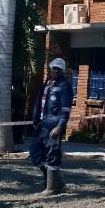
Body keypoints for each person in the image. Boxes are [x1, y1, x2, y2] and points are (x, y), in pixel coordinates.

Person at [30, 57, 75, 194]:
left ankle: (51, 188)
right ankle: (58, 182)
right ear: (50, 69)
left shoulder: (64, 86)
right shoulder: (46, 85)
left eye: (58, 69)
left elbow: (65, 109)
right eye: (53, 68)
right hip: (41, 125)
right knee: (35, 153)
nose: (55, 71)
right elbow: (38, 104)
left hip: (53, 126)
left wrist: (60, 126)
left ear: (62, 71)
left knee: (52, 154)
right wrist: (35, 120)